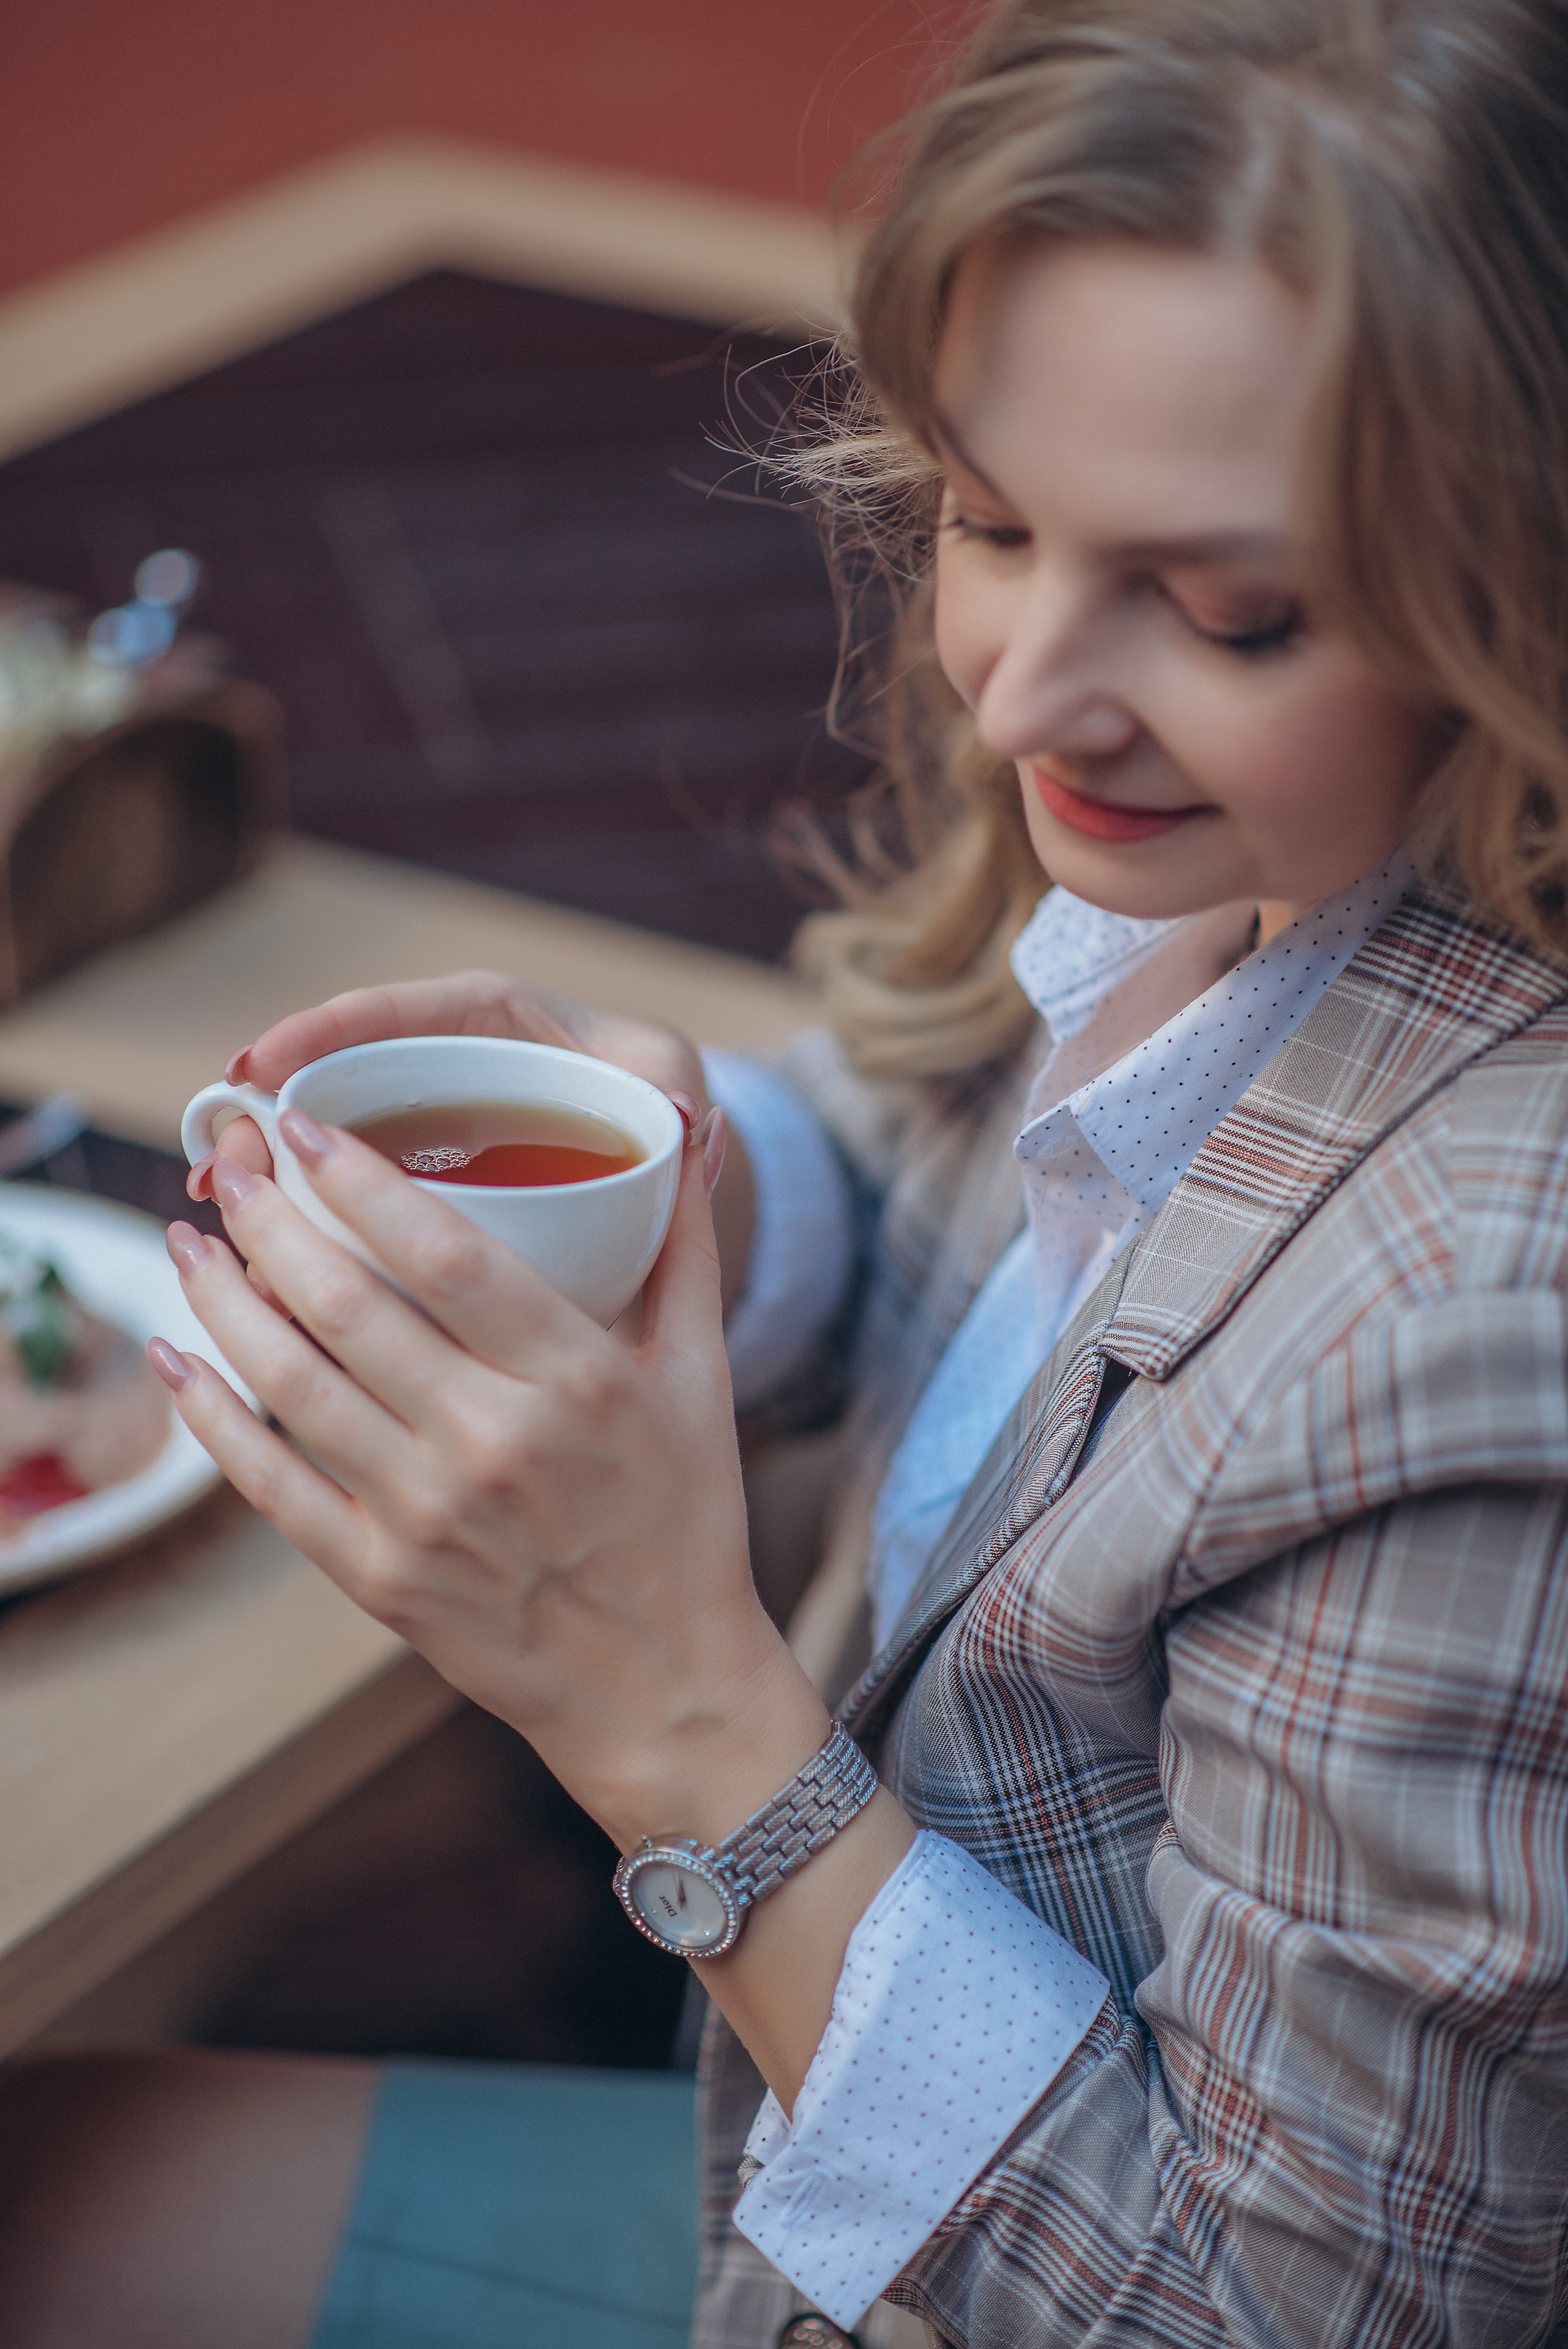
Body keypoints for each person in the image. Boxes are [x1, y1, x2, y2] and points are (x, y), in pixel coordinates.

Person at [4, 1, 1568, 2342]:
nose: (1023, 690)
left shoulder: (1491, 1334)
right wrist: (702, 1188)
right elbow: (980, 1176)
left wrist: (659, 1707)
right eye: (989, 518)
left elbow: (1272, 2307)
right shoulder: (1270, 847)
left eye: (1231, 608)